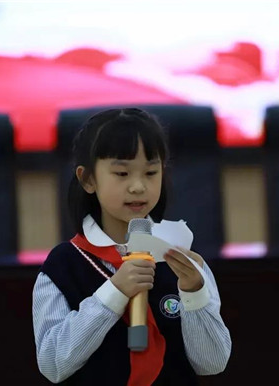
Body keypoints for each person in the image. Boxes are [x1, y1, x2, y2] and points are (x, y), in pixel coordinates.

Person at [32, 108, 231, 385]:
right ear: (88, 179)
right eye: (122, 173)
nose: (138, 186)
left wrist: (194, 292)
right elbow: (53, 364)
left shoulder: (183, 258)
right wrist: (114, 292)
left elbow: (212, 363)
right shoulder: (62, 266)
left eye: (151, 172)